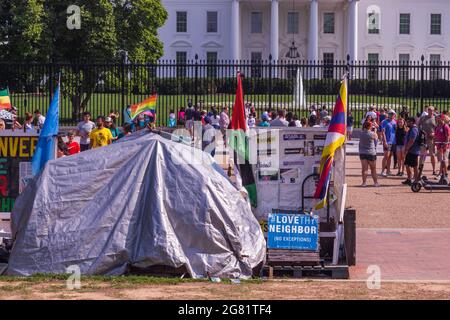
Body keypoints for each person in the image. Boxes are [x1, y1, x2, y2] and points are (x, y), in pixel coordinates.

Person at [359, 121, 379, 187]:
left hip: (362, 152)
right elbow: (376, 138)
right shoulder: (372, 134)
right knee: (373, 169)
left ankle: (364, 182)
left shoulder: (361, 133)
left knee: (364, 169)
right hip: (371, 153)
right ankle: (375, 182)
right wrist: (375, 130)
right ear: (370, 126)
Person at [418, 106, 437, 175]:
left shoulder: (435, 118)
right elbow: (418, 125)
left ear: (433, 111)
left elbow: (437, 128)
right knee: (422, 155)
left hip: (431, 139)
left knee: (432, 155)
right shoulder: (423, 117)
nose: (430, 111)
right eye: (429, 110)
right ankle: (420, 170)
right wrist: (422, 131)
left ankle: (434, 170)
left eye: (432, 110)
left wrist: (434, 133)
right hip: (424, 139)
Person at [403, 117, 420, 185]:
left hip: (413, 151)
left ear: (412, 122)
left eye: (408, 122)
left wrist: (406, 149)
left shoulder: (414, 129)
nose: (407, 123)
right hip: (410, 150)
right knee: (407, 165)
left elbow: (412, 141)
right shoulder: (410, 129)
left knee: (414, 166)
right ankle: (409, 179)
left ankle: (416, 180)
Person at [380, 110, 397, 176]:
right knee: (386, 156)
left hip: (393, 141)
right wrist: (384, 141)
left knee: (390, 156)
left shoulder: (394, 122)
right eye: (391, 114)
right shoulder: (384, 122)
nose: (392, 115)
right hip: (387, 141)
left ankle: (388, 171)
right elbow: (383, 132)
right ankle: (383, 171)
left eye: (393, 114)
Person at [434, 114, 450, 179]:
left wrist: (445, 145)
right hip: (439, 145)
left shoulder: (445, 127)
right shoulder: (437, 126)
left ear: (442, 119)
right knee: (441, 161)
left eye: (438, 118)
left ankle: (443, 174)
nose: (436, 119)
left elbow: (448, 137)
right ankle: (442, 173)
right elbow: (436, 136)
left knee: (443, 160)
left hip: (444, 146)